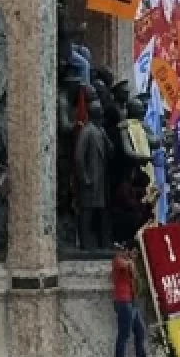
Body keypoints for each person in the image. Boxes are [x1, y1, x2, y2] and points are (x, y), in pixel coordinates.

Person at [111, 242, 152, 357]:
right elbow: (126, 266)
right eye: (133, 252)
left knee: (140, 331)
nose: (135, 255)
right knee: (124, 333)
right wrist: (131, 259)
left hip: (131, 301)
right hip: (123, 301)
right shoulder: (118, 260)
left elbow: (135, 275)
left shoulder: (129, 262)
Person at [75, 103, 111, 250]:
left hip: (100, 180)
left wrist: (105, 135)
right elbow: (79, 157)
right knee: (87, 211)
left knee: (100, 211)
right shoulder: (87, 131)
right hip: (90, 179)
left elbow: (110, 150)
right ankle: (84, 243)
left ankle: (102, 242)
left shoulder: (99, 130)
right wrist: (84, 177)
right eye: (99, 111)